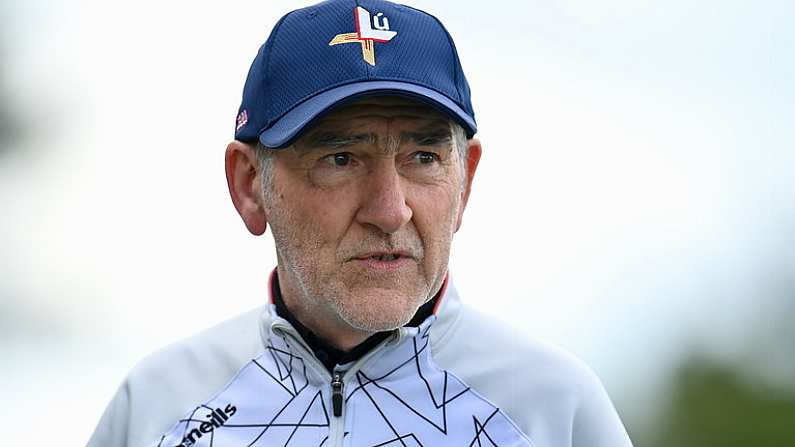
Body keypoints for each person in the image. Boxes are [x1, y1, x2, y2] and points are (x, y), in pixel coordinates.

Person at [87, 1, 633, 446]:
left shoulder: (555, 410)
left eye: (423, 157)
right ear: (251, 185)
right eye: (341, 158)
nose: (390, 210)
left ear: (464, 180)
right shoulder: (159, 408)